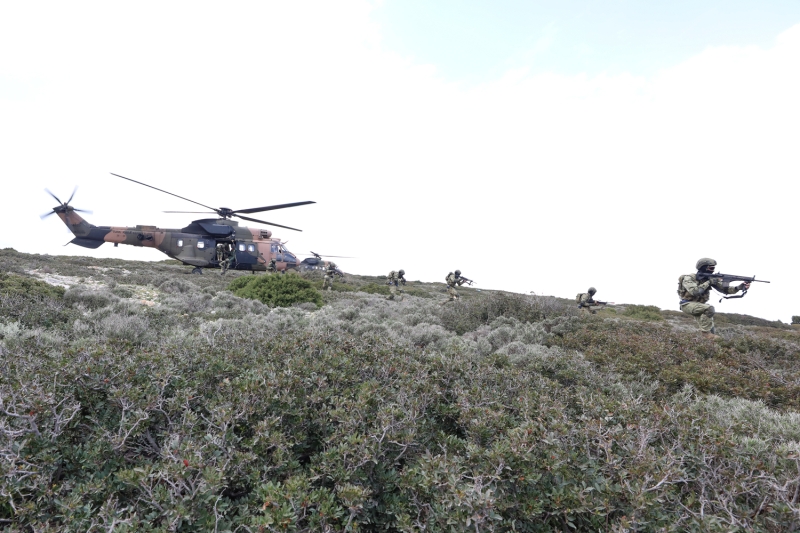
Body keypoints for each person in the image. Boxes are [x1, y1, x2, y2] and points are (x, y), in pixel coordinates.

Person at [678, 257, 750, 338]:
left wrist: (739, 287)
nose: (713, 270)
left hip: (700, 305)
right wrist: (709, 282)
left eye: (713, 268)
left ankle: (707, 340)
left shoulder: (710, 278)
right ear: (703, 267)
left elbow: (725, 290)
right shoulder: (689, 278)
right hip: (687, 304)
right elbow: (695, 291)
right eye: (711, 268)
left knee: (712, 331)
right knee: (709, 309)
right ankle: (705, 334)